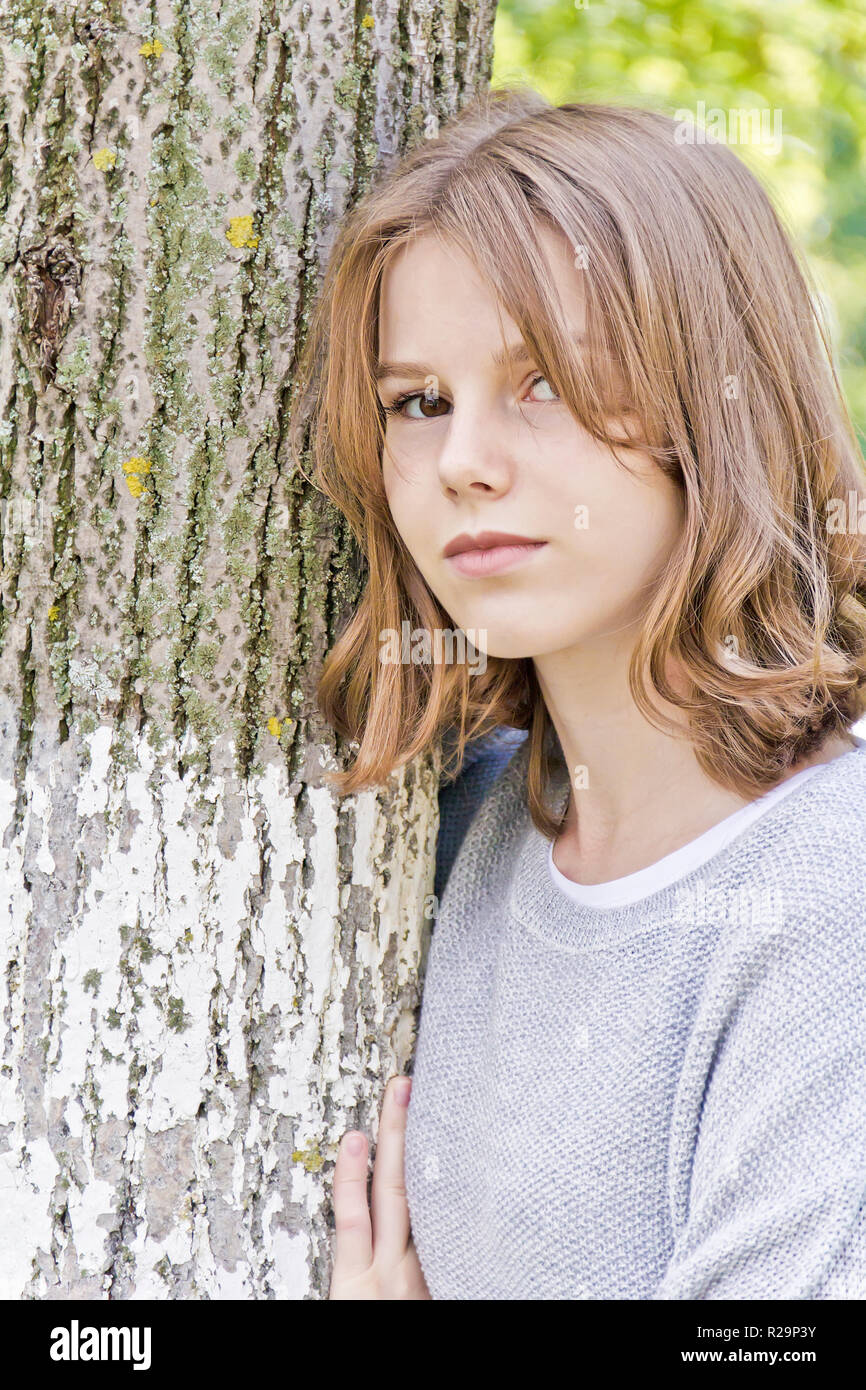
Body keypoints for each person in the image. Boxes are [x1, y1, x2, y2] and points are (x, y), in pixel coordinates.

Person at [291, 85, 866, 1299]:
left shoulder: (830, 895)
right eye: (418, 404)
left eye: (544, 380)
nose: (463, 463)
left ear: (715, 398)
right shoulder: (453, 829)